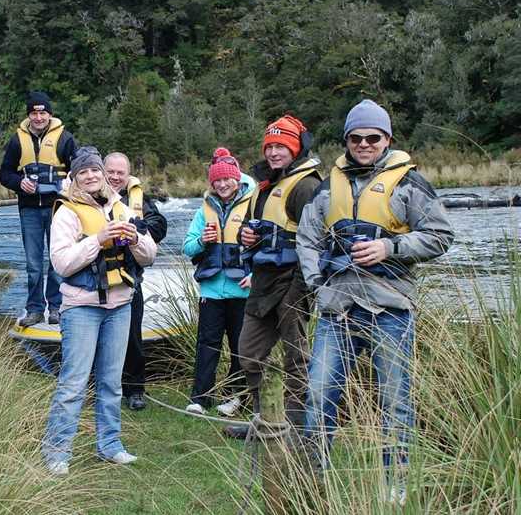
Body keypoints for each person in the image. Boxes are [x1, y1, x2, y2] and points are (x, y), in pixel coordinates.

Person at [296, 99, 454, 504]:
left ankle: (395, 483)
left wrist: (391, 247)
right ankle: (316, 477)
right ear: (346, 139)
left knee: (396, 400)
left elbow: (440, 236)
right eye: (356, 137)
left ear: (387, 139)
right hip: (337, 309)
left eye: (373, 137)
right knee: (318, 393)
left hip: (391, 309)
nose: (364, 144)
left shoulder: (410, 183)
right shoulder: (327, 186)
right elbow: (308, 238)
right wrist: (317, 282)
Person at [42, 147, 157, 476]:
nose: (92, 176)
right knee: (73, 384)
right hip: (82, 307)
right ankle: (57, 452)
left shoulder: (120, 206)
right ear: (75, 177)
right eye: (85, 172)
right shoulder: (66, 212)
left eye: (95, 171)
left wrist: (136, 238)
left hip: (120, 305)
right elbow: (62, 262)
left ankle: (110, 445)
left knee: (111, 383)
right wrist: (98, 239)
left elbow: (148, 255)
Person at [224, 115, 322, 438]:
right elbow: (251, 229)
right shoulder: (264, 187)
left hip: (294, 280)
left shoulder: (307, 186)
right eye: (270, 146)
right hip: (263, 281)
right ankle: (264, 420)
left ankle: (295, 428)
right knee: (248, 352)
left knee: (297, 357)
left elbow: (319, 238)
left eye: (282, 146)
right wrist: (246, 238)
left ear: (295, 148)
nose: (274, 152)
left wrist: (307, 284)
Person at [182, 148, 256, 416]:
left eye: (228, 180)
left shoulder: (253, 203)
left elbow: (266, 246)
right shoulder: (204, 209)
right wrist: (203, 240)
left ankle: (236, 397)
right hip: (211, 290)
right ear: (211, 184)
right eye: (217, 181)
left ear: (237, 179)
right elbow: (187, 247)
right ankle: (200, 399)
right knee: (207, 344)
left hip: (243, 291)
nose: (223, 185)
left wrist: (256, 275)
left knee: (242, 347)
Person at [0, 91, 77, 327]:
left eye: (43, 112)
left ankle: (56, 307)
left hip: (58, 208)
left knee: (57, 260)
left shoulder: (65, 138)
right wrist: (18, 183)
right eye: (34, 113)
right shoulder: (16, 140)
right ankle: (34, 309)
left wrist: (69, 185)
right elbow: (4, 173)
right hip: (29, 209)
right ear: (29, 115)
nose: (39, 117)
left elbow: (79, 169)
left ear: (50, 114)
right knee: (33, 265)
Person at [104, 152, 168, 411]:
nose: (116, 177)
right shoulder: (89, 195)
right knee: (99, 339)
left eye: (121, 172)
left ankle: (135, 390)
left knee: (132, 338)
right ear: (102, 170)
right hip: (97, 280)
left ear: (128, 174)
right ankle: (103, 388)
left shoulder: (139, 198)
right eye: (111, 172)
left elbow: (160, 225)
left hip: (130, 280)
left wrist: (135, 230)